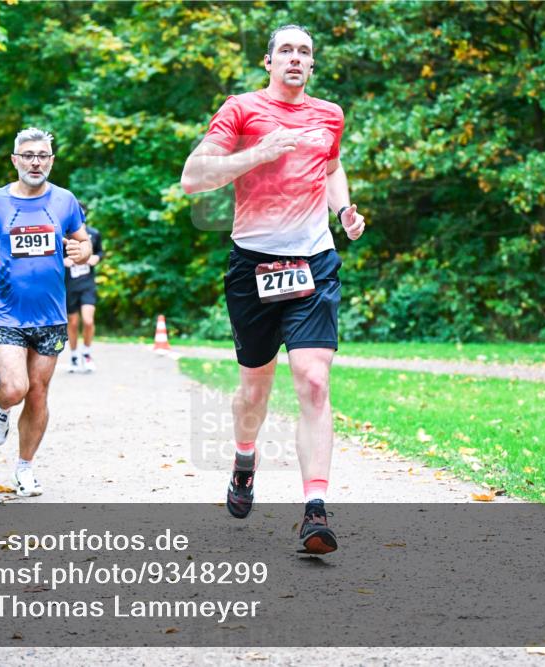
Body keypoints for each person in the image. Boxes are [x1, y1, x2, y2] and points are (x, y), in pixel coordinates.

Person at [180, 24, 365, 554]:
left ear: (313, 64)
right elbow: (194, 177)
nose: (295, 58)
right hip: (253, 266)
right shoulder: (241, 110)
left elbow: (331, 167)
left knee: (314, 380)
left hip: (314, 262)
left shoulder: (329, 114)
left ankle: (315, 509)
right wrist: (258, 153)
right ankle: (245, 457)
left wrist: (343, 210)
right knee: (255, 389)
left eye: (304, 52)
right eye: (286, 50)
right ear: (268, 61)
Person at [0, 127, 93, 497]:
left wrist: (80, 252)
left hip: (51, 313)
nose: (36, 162)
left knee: (37, 392)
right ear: (15, 160)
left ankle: (25, 468)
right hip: (7, 310)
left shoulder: (65, 200)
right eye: (29, 155)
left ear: (51, 161)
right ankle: (1, 408)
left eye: (42, 156)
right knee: (14, 388)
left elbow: (83, 242)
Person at [64, 205, 103, 373]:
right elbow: (54, 256)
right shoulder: (64, 235)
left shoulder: (94, 234)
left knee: (88, 321)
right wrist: (63, 262)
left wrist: (96, 258)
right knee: (73, 323)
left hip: (87, 284)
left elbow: (100, 252)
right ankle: (74, 356)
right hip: (70, 285)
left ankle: (86, 354)